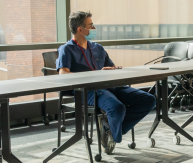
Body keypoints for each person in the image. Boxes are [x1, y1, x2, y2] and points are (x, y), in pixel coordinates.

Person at [57, 11, 156, 153]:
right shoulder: (66, 49)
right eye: (91, 26)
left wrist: (114, 69)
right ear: (80, 29)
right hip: (88, 90)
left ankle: (110, 130)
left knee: (149, 100)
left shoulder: (98, 47)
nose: (94, 29)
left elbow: (110, 66)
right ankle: (113, 133)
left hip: (110, 86)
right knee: (117, 108)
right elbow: (63, 73)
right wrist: (96, 74)